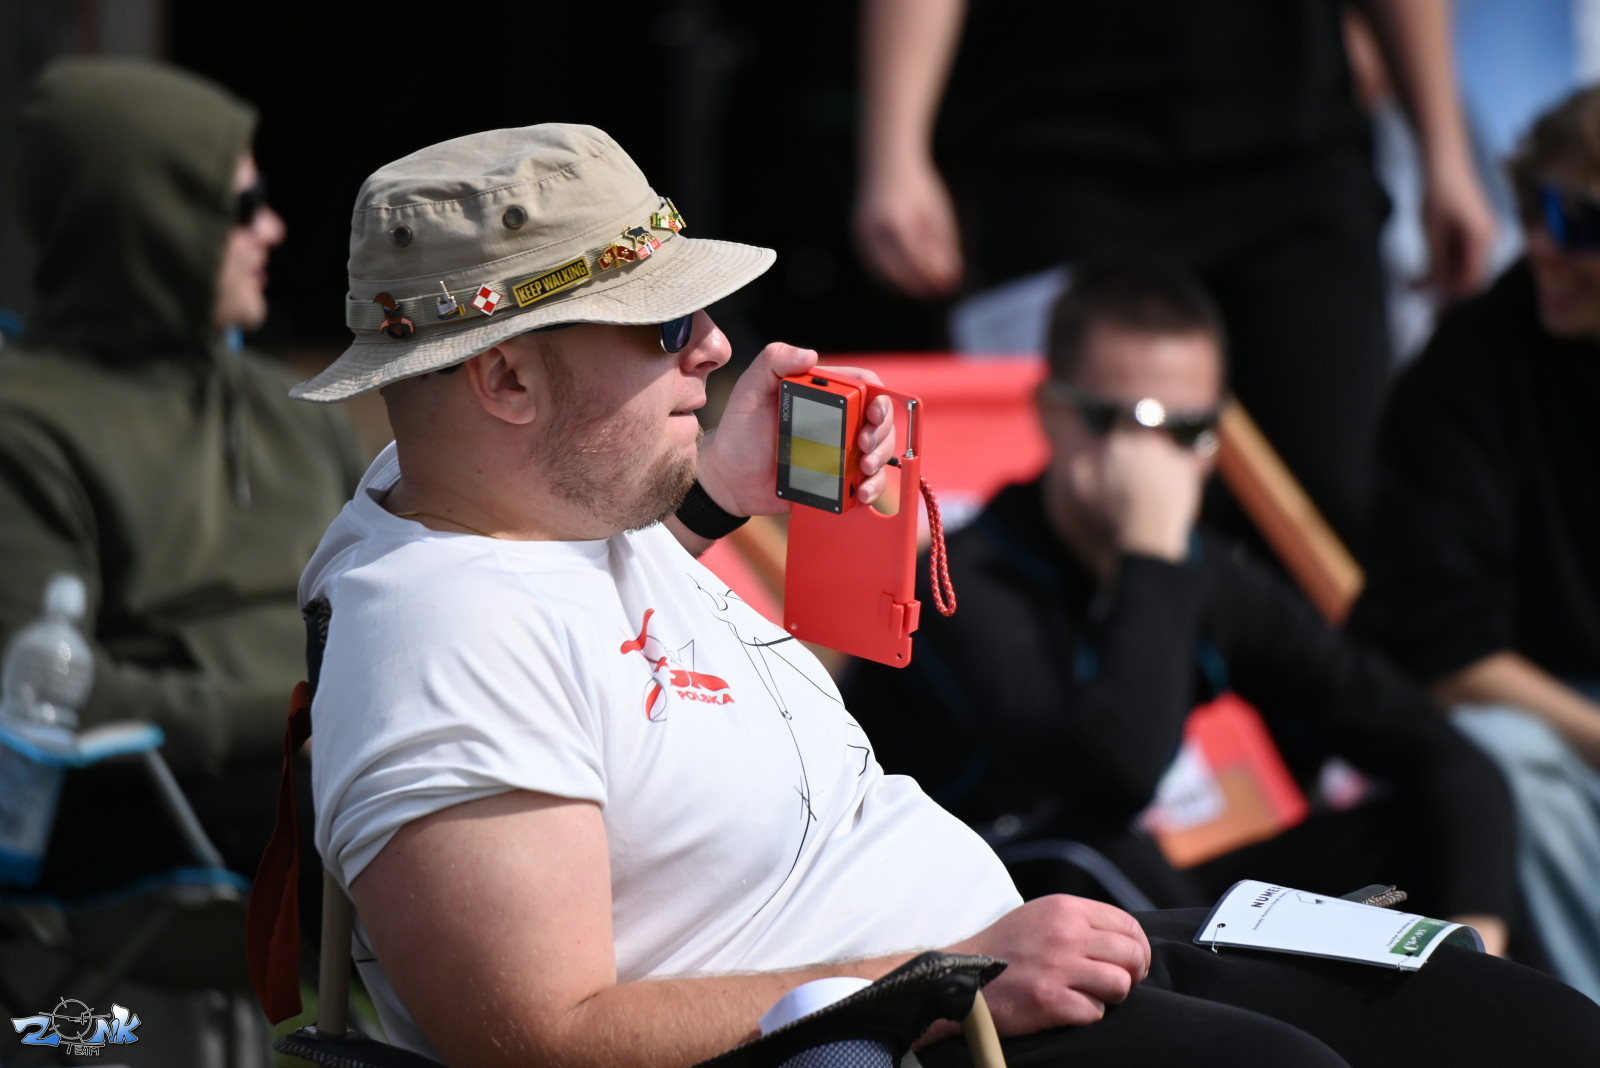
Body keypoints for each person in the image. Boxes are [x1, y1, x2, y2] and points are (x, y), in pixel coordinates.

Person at [291, 123, 1600, 1068]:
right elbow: (536, 1034)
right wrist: (939, 975)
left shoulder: (525, 510)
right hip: (925, 1019)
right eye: (663, 330)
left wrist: (714, 499)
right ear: (506, 382)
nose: (714, 348)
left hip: (999, 954)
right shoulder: (439, 636)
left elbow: (592, 658)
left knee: (1513, 1020)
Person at [839, 258, 1534, 962]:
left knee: (1427, 835)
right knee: (1090, 857)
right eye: (1122, 423)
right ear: (1052, 413)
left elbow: (1443, 756)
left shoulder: (1206, 575)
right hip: (963, 919)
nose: (1156, 462)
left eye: (1189, 430)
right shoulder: (960, 580)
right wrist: (1150, 549)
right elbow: (1113, 775)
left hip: (1131, 900)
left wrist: (1481, 937)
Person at [0, 57, 365, 1061]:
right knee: (447, 832)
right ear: (146, 221)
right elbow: (39, 693)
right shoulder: (23, 428)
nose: (273, 229)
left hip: (323, 767)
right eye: (240, 205)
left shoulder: (292, 415)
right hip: (146, 803)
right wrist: (297, 712)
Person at [853, 0, 1497, 550]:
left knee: (1328, 503)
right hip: (1061, 151)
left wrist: (1445, 151)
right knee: (1085, 506)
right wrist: (894, 148)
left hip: (1293, 153)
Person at [1352, 84, 1600, 1002]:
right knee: (1499, 750)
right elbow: (1443, 648)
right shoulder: (1472, 362)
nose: (1542, 242)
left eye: (1579, 221)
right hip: (1541, 719)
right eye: (1533, 203)